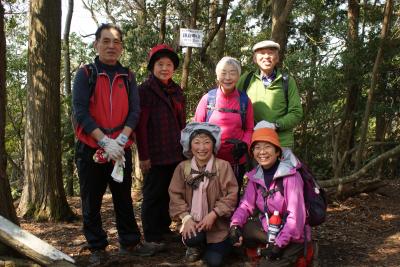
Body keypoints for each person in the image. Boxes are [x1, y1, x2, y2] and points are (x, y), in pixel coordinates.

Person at [72, 24, 153, 264]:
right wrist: (103, 140)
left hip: (121, 149)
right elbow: (80, 111)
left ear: (121, 47)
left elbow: (135, 111)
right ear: (96, 44)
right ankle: (97, 247)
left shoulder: (128, 76)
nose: (111, 46)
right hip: (91, 147)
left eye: (116, 42)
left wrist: (120, 138)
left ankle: (130, 242)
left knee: (123, 197)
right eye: (105, 41)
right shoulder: (86, 73)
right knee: (91, 200)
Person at [229, 121, 312, 267]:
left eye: (267, 146)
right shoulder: (255, 177)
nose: (262, 152)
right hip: (270, 229)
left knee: (267, 265)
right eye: (257, 148)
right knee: (244, 230)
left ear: (277, 151)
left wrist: (278, 245)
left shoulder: (291, 177)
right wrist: (235, 226)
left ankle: (305, 251)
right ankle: (268, 252)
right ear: (252, 152)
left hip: (292, 235)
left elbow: (296, 219)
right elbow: (245, 206)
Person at [136, 44, 186, 252]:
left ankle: (164, 229)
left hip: (175, 151)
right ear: (152, 67)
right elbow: (140, 126)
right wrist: (144, 156)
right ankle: (151, 235)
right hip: (155, 153)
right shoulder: (145, 90)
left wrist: (186, 149)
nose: (164, 68)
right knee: (153, 194)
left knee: (169, 192)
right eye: (160, 64)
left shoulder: (176, 90)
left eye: (168, 64)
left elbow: (181, 121)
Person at [169, 122, 238, 267]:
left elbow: (232, 195)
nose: (202, 148)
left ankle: (216, 246)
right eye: (197, 142)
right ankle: (196, 245)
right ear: (190, 145)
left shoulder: (223, 166)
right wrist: (186, 218)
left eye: (207, 142)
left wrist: (213, 214)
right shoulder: (183, 168)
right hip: (193, 223)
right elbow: (175, 195)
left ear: (214, 145)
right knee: (192, 239)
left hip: (218, 226)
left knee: (213, 261)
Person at [194, 56, 254, 202]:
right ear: (217, 75)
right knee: (208, 196)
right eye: (223, 73)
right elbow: (196, 128)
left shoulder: (244, 101)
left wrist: (245, 144)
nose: (227, 77)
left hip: (235, 160)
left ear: (238, 76)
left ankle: (232, 223)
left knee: (232, 196)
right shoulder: (208, 99)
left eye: (232, 73)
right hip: (210, 159)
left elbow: (250, 129)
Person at [236, 40, 303, 149]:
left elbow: (296, 112)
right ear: (254, 58)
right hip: (255, 142)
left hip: (281, 143)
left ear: (277, 58)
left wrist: (275, 125)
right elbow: (232, 102)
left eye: (271, 53)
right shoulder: (246, 79)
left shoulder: (287, 81)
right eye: (261, 53)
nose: (266, 56)